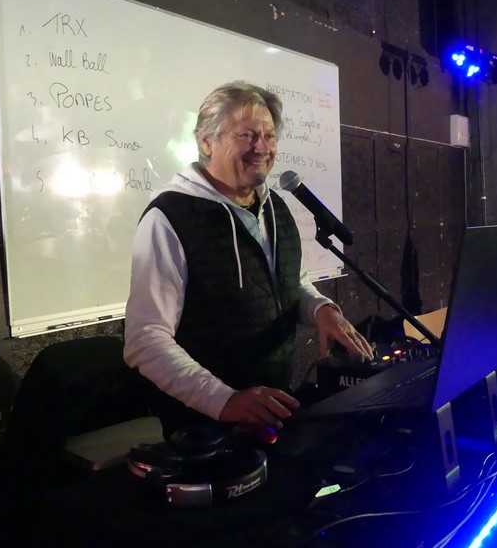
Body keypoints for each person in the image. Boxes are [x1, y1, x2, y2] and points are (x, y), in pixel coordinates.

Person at [124, 80, 373, 439]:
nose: (263, 148)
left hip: (273, 409)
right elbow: (145, 338)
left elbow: (292, 283)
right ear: (206, 142)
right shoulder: (170, 217)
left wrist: (321, 310)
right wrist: (223, 400)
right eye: (247, 135)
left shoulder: (277, 208)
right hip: (203, 430)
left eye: (269, 136)